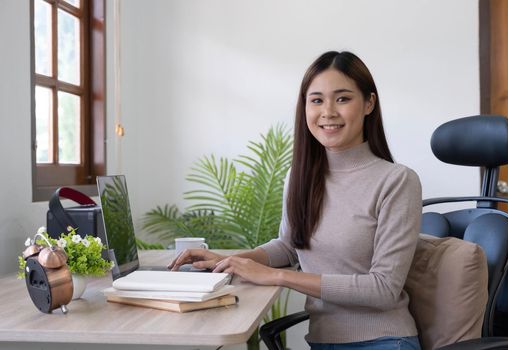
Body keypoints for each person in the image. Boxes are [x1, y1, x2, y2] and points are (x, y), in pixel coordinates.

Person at [169, 51, 422, 350]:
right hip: (321, 341)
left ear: (368, 103)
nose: (327, 112)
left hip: (384, 340)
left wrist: (275, 277)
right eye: (316, 100)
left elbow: (383, 289)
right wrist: (233, 260)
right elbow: (289, 246)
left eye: (342, 99)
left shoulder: (397, 181)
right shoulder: (300, 176)